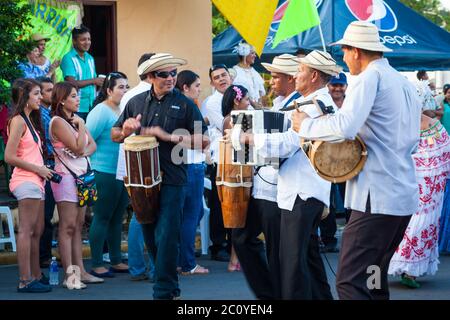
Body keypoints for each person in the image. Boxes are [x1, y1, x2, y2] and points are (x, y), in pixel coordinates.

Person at [291, 21, 422, 300]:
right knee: (373, 280)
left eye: (345, 52)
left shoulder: (369, 78)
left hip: (378, 196)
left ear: (356, 51)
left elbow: (346, 126)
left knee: (350, 282)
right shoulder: (403, 82)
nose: (344, 58)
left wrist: (306, 125)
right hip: (400, 193)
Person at [227, 50, 340, 300]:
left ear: (312, 76)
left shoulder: (314, 105)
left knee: (291, 266)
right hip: (298, 191)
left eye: (300, 71)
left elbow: (289, 143)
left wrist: (249, 138)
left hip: (302, 192)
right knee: (304, 259)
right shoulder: (312, 102)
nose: (296, 75)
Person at [111, 53, 209, 300]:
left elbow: (203, 141)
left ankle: (162, 291)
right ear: (151, 76)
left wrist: (169, 136)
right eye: (164, 74)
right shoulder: (135, 102)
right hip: (142, 180)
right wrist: (126, 129)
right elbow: (115, 134)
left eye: (173, 73)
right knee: (150, 233)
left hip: (173, 177)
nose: (170, 78)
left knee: (166, 235)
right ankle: (170, 285)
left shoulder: (186, 104)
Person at [232, 54, 299, 299]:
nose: (271, 81)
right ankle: (268, 294)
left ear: (291, 79)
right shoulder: (278, 104)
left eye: (276, 76)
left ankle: (274, 295)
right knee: (241, 238)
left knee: (276, 251)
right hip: (261, 185)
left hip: (279, 188)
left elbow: (288, 145)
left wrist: (251, 139)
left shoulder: (298, 106)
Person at [49, 81, 103, 288]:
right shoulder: (59, 121)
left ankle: (81, 271)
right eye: (73, 96)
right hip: (67, 179)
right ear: (61, 99)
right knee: (68, 226)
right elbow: (81, 146)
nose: (78, 99)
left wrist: (82, 145)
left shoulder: (76, 120)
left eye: (78, 95)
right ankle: (69, 276)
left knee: (79, 227)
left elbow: (92, 146)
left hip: (83, 177)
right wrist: (81, 132)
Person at [388, 114, 450, 288]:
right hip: (425, 184)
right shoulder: (431, 125)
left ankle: (408, 269)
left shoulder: (401, 123)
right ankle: (408, 270)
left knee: (419, 222)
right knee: (421, 223)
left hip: (423, 184)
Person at [5, 78, 53, 293]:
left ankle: (35, 275)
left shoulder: (29, 120)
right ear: (24, 97)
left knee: (38, 230)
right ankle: (25, 280)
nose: (40, 97)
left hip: (36, 180)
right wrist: (39, 169)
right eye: (36, 94)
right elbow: (9, 156)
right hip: (26, 180)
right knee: (27, 230)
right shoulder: (18, 121)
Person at [115, 53, 156, 282]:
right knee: (142, 214)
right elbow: (123, 131)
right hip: (140, 162)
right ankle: (143, 268)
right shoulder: (139, 95)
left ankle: (140, 268)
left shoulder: (131, 93)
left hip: (133, 161)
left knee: (140, 214)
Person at [86, 72, 130, 277]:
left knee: (117, 217)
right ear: (109, 90)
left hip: (122, 171)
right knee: (102, 216)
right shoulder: (100, 111)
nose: (124, 90)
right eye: (120, 87)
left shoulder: (123, 109)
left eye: (126, 87)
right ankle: (96, 263)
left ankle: (116, 260)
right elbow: (85, 140)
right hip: (103, 171)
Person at [175, 70, 209, 275]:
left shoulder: (174, 105)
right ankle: (187, 263)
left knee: (185, 215)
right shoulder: (190, 107)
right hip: (192, 164)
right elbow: (202, 141)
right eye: (196, 85)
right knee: (191, 214)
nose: (199, 89)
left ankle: (182, 260)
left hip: (178, 164)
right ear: (185, 87)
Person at [202, 64, 233, 262]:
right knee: (219, 201)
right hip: (220, 156)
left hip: (238, 155)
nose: (222, 79)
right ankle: (218, 244)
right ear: (212, 82)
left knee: (236, 200)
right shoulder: (212, 102)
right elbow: (226, 126)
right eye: (217, 77)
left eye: (224, 75)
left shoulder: (237, 96)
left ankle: (234, 243)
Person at [319, 72, 349, 253]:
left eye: (340, 85)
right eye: (334, 85)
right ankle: (328, 239)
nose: (337, 88)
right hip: (328, 158)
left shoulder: (352, 104)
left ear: (345, 86)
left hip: (348, 158)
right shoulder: (322, 103)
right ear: (328, 86)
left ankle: (353, 238)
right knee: (326, 200)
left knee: (350, 199)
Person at [35, 77, 57, 268]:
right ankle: (43, 257)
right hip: (45, 167)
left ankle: (44, 256)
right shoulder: (42, 115)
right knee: (45, 216)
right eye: (49, 90)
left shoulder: (48, 113)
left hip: (51, 166)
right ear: (40, 95)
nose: (53, 93)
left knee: (46, 216)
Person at [60, 25, 104, 121]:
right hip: (76, 108)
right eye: (83, 39)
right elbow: (71, 83)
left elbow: (94, 82)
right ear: (74, 41)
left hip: (92, 105)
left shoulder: (90, 58)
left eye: (89, 39)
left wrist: (100, 82)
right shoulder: (68, 58)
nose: (87, 42)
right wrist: (94, 81)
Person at [232, 42, 266, 108]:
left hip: (257, 110)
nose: (255, 55)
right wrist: (253, 104)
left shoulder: (254, 72)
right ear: (244, 54)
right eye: (252, 53)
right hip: (244, 109)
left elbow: (260, 92)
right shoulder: (235, 72)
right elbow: (238, 93)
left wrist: (259, 103)